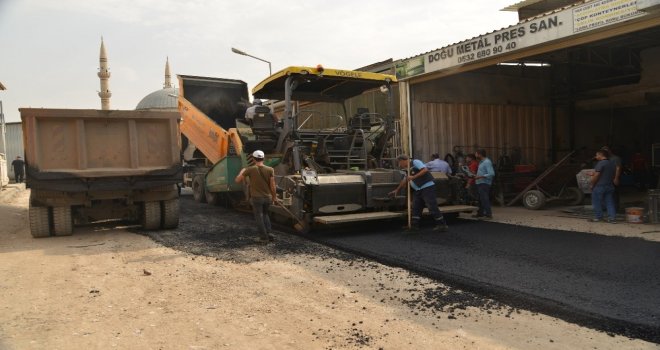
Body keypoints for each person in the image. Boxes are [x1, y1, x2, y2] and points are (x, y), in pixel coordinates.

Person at [388, 154, 448, 232]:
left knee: (431, 206)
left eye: (399, 163)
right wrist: (397, 190)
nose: (399, 165)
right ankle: (414, 225)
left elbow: (424, 170)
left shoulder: (415, 162)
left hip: (427, 187)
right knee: (416, 207)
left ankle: (442, 224)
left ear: (403, 160)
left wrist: (413, 177)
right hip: (418, 189)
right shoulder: (407, 169)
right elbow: (404, 180)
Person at [235, 150, 277, 243]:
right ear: (263, 158)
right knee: (266, 215)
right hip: (268, 198)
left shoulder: (250, 169)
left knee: (259, 217)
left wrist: (242, 171)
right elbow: (273, 185)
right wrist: (274, 197)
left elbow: (238, 180)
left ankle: (263, 238)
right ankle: (269, 233)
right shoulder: (270, 169)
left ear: (254, 159)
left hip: (257, 198)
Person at [589, 149, 617, 223]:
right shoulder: (612, 163)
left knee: (596, 202)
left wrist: (592, 184)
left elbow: (597, 175)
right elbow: (612, 174)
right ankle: (612, 218)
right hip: (609, 185)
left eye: (597, 155)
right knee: (609, 202)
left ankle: (599, 217)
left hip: (599, 186)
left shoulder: (601, 163)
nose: (596, 156)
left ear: (601, 155)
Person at [473, 149, 495, 220]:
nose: (475, 155)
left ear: (480, 154)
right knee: (480, 199)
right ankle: (480, 213)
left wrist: (479, 176)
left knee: (484, 199)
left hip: (484, 183)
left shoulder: (487, 162)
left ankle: (488, 214)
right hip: (480, 182)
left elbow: (491, 173)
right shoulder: (481, 162)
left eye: (476, 154)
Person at [601, 146, 621, 210]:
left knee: (614, 194)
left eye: (606, 151)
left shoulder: (615, 158)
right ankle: (605, 207)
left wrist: (616, 178)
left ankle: (615, 207)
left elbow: (618, 168)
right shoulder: (603, 159)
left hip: (613, 178)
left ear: (610, 151)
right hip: (605, 179)